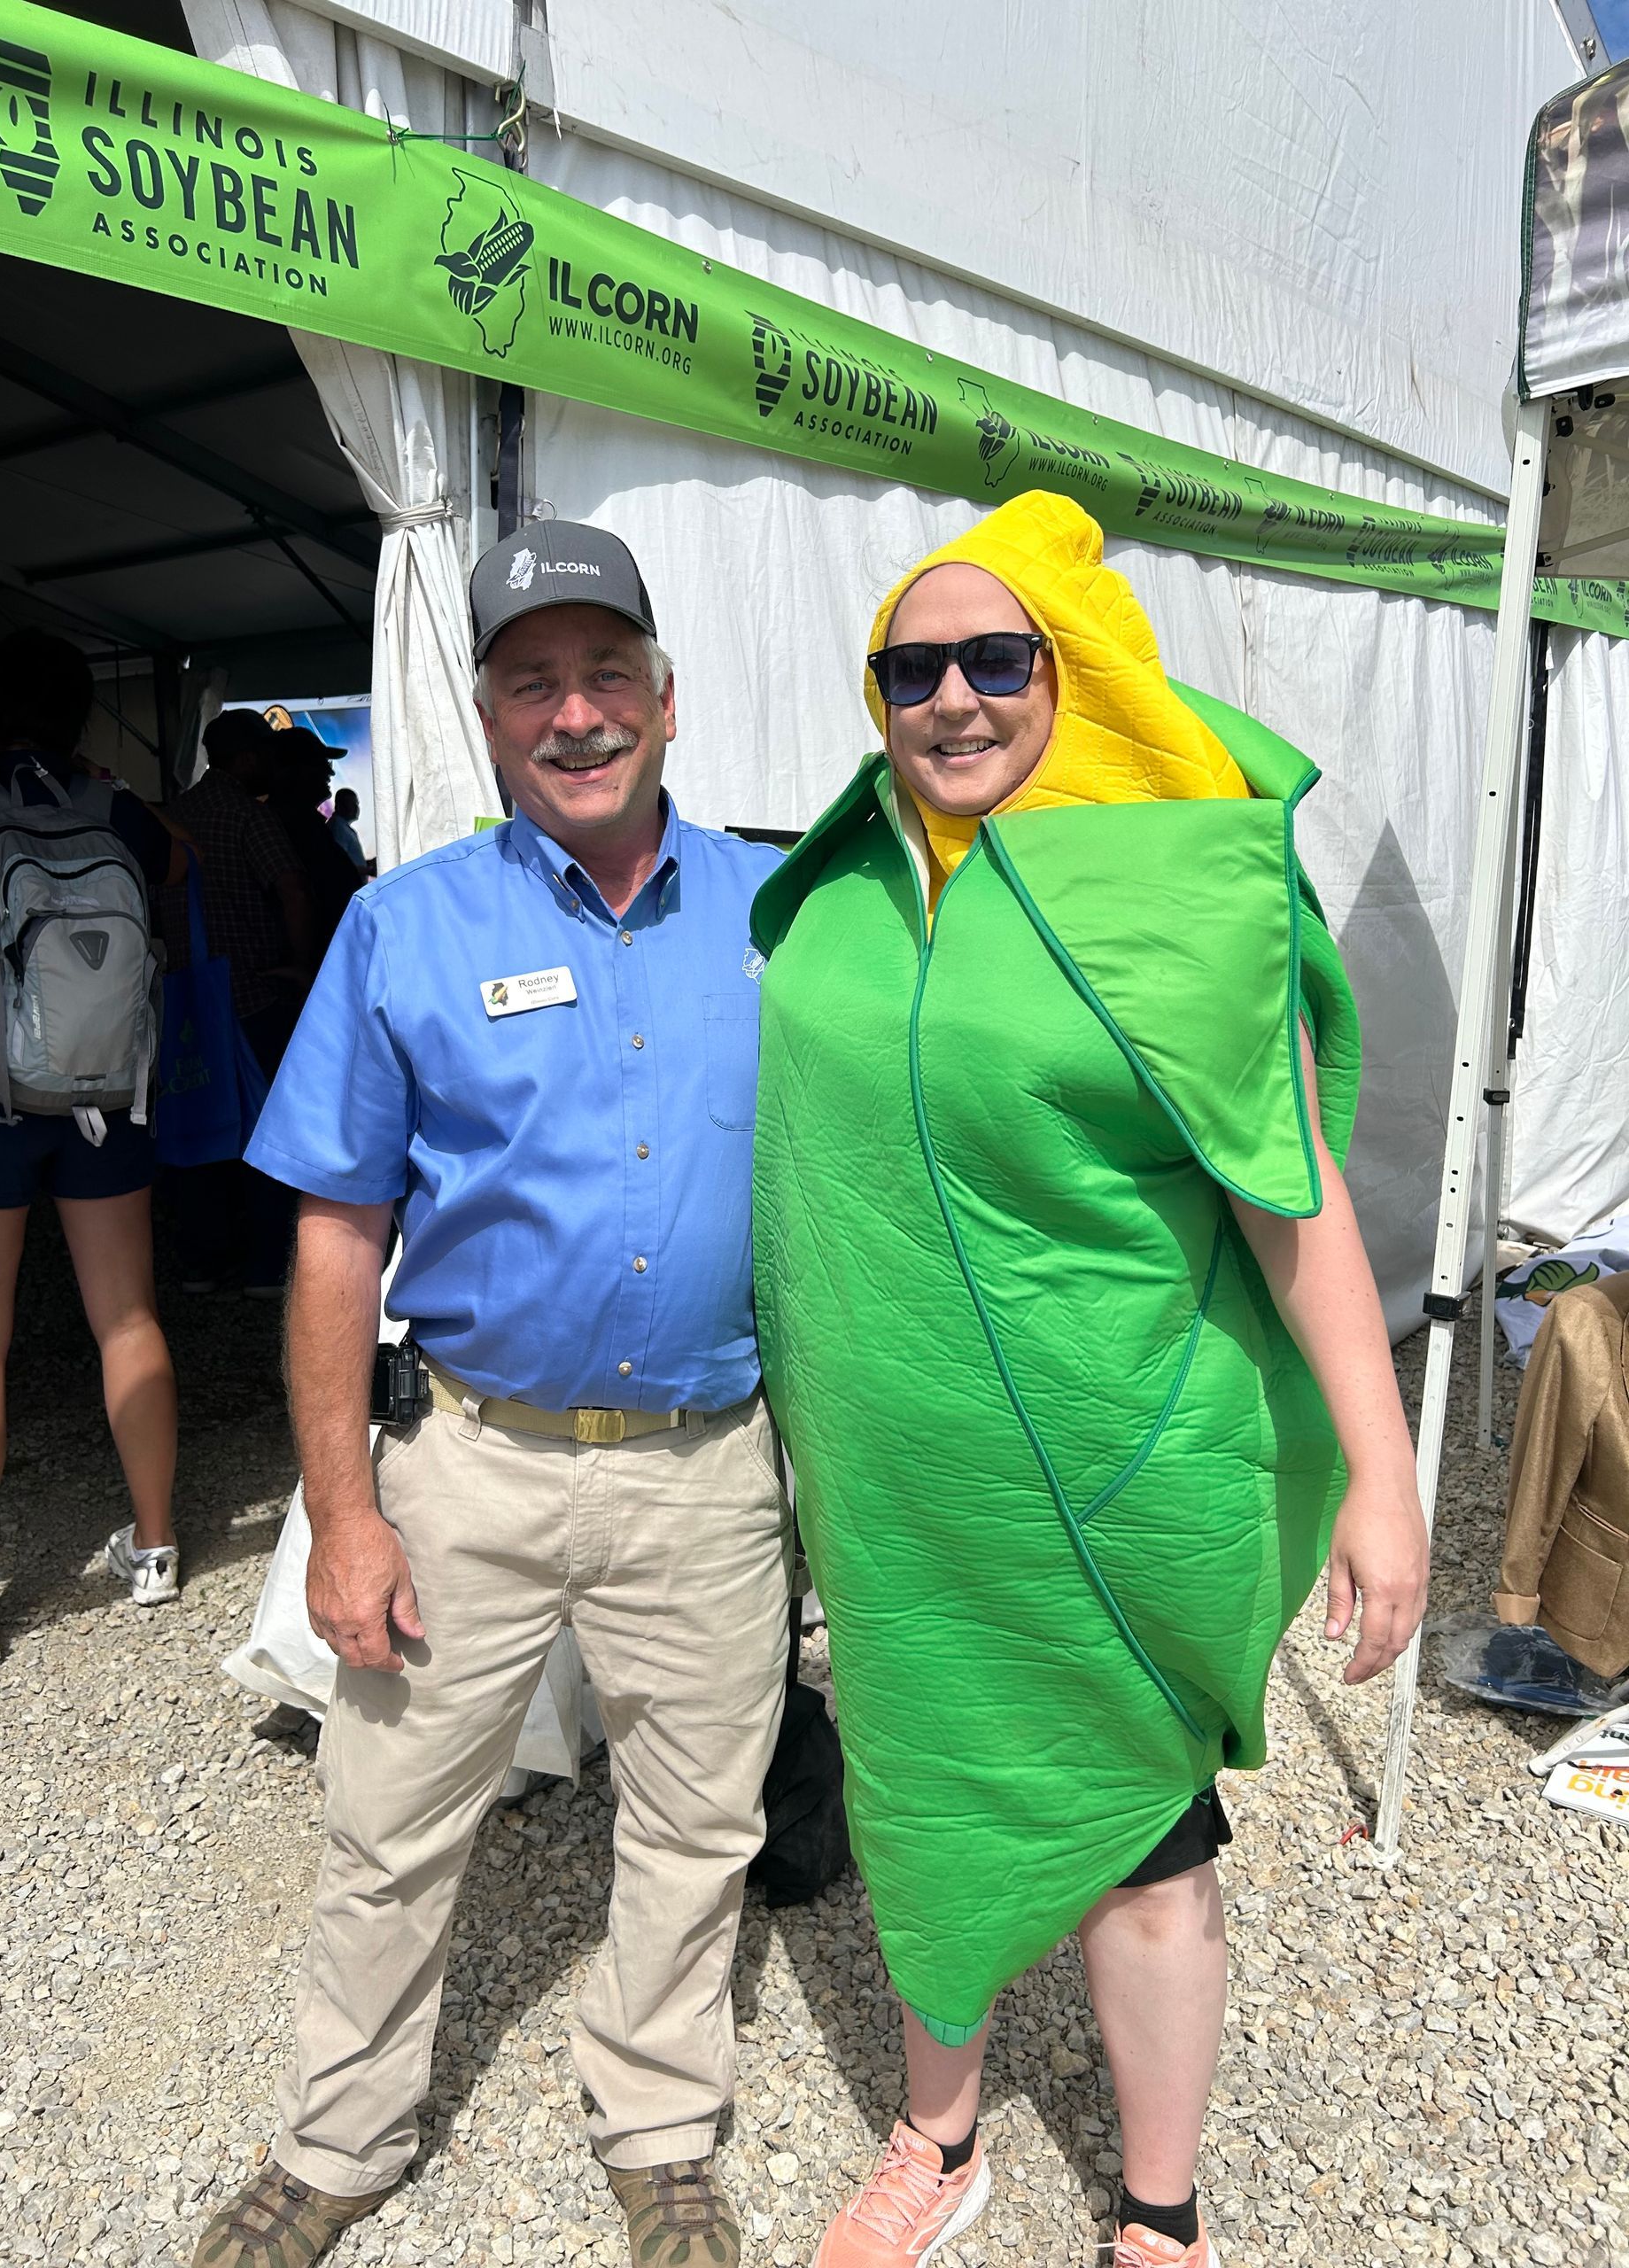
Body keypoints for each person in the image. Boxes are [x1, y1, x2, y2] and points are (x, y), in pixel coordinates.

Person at [749, 493, 1429, 2268]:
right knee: (918, 1789)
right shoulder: (837, 894)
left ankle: (1162, 2209)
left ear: (1073, 672)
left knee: (1145, 1835)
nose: (954, 698)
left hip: (1115, 1473)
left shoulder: (1183, 899)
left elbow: (1297, 1201)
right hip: (902, 1493)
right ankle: (940, 2138)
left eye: (998, 659)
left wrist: (1383, 1466)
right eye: (915, 664)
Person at [194, 519, 791, 2268]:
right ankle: (340, 2136)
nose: (577, 711)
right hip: (469, 1461)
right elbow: (333, 1232)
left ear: (668, 698)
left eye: (608, 673)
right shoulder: (404, 925)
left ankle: (662, 2122)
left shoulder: (784, 916)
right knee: (387, 1829)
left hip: (710, 1465)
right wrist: (344, 1514)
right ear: (487, 710)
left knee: (699, 1824)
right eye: (534, 680)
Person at [0, 628, 188, 1673]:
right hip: (108, 1097)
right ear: (81, 723)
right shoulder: (112, 807)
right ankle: (158, 1546)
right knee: (128, 1316)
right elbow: (182, 860)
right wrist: (100, 784)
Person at [155, 709, 315, 1294]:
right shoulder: (250, 816)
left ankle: (202, 1258)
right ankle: (267, 1264)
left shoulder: (172, 817)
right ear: (246, 759)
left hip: (187, 1002)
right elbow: (292, 888)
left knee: (198, 1124)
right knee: (268, 1132)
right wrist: (302, 963)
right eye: (268, 755)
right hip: (251, 995)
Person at [267, 729, 361, 967]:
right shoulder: (284, 826)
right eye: (319, 764)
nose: (329, 771)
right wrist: (304, 967)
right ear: (292, 770)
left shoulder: (307, 823)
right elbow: (297, 896)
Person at [326, 785, 366, 873]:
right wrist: (368, 870)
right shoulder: (338, 827)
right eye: (352, 804)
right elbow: (339, 864)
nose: (356, 808)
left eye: (357, 804)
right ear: (340, 806)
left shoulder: (343, 827)